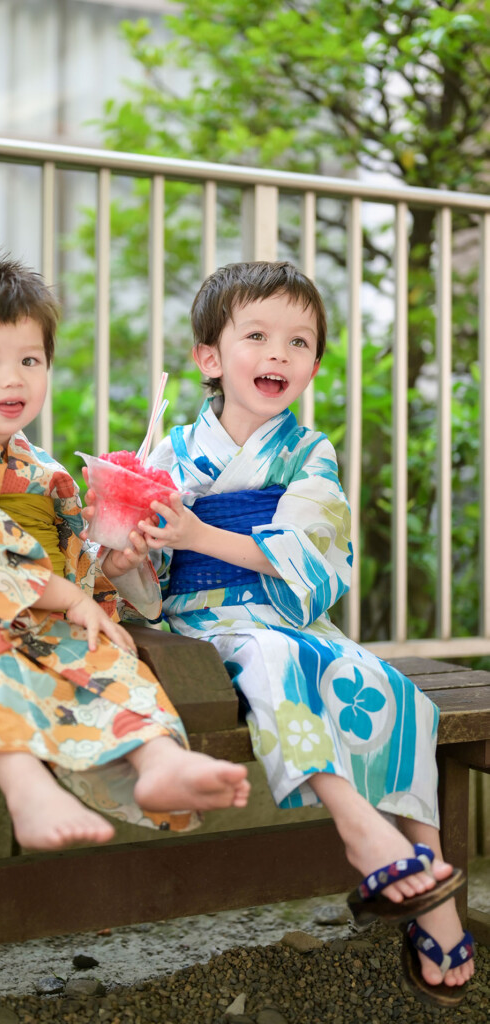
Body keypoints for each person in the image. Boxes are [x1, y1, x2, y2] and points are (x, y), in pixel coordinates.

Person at [98, 260, 473, 1006]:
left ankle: (429, 881)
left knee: (396, 692)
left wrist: (197, 531)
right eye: (257, 336)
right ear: (209, 357)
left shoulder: (309, 453)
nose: (278, 353)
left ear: (313, 365)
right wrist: (127, 561)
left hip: (291, 614)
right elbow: (146, 587)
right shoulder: (169, 454)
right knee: (269, 657)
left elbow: (309, 550)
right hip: (206, 627)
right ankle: (362, 831)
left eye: (298, 342)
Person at [0, 250, 250, 855]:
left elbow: (74, 569)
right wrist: (65, 596)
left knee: (111, 659)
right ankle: (27, 790)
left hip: (30, 619)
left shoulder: (41, 470)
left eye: (29, 360)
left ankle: (158, 759)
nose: (12, 379)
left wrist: (107, 569)